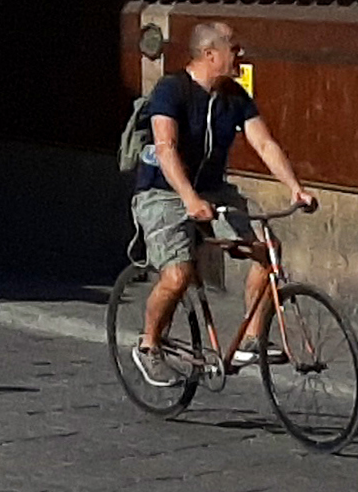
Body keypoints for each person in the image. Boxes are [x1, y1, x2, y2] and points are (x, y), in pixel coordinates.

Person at [128, 19, 312, 371]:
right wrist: (189, 199)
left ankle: (251, 339)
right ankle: (149, 343)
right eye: (234, 48)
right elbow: (165, 148)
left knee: (266, 249)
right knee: (177, 276)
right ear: (210, 54)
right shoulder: (171, 90)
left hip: (213, 190)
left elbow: (263, 142)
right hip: (163, 192)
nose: (240, 54)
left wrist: (295, 187)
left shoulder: (233, 95)